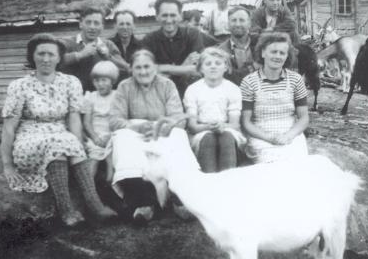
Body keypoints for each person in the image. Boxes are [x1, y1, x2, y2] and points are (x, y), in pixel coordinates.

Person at [1, 33, 116, 227]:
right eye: (41, 54)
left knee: (68, 142)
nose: (46, 59)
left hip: (61, 134)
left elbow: (73, 118)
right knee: (59, 142)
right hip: (30, 137)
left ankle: (95, 206)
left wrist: (80, 147)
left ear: (59, 58)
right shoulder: (19, 86)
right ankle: (67, 210)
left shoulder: (70, 82)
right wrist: (7, 165)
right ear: (32, 56)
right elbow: (9, 127)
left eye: (51, 54)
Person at [109, 49, 200, 222]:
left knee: (179, 136)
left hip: (163, 129)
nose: (143, 72)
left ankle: (179, 199)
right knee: (122, 138)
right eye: (138, 68)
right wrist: (137, 126)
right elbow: (114, 120)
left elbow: (177, 118)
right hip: (136, 130)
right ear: (131, 69)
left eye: (147, 66)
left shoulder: (167, 85)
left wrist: (161, 127)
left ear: (155, 67)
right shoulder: (124, 86)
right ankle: (144, 202)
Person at [240, 32, 309, 164]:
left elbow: (304, 118)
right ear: (263, 53)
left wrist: (289, 136)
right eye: (273, 51)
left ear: (287, 56)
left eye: (282, 53)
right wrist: (269, 137)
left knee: (298, 168)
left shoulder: (296, 79)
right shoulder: (249, 82)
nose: (277, 56)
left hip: (291, 135)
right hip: (261, 137)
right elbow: (246, 122)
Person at [183, 47, 246, 173]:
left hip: (228, 129)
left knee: (226, 137)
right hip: (200, 132)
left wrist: (222, 126)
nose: (213, 67)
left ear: (226, 67)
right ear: (201, 68)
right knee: (208, 138)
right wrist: (208, 127)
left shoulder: (232, 89)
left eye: (218, 63)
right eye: (208, 64)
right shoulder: (193, 89)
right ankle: (209, 182)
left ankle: (228, 181)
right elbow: (192, 126)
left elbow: (235, 124)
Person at [142, 0, 204, 96]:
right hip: (160, 94)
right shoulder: (149, 40)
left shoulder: (192, 35)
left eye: (173, 15)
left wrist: (161, 69)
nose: (169, 20)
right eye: (164, 15)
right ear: (157, 16)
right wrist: (183, 67)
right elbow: (146, 70)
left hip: (190, 93)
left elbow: (197, 70)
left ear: (180, 16)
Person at [61, 7, 130, 92]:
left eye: (96, 23)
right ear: (81, 24)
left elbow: (125, 69)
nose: (92, 27)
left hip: (101, 97)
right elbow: (54, 61)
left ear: (102, 27)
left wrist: (108, 57)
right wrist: (80, 55)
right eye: (88, 22)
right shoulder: (67, 43)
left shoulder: (108, 45)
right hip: (73, 95)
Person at [82, 61, 119, 185]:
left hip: (112, 135)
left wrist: (110, 136)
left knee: (111, 159)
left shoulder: (117, 96)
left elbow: (118, 119)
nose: (100, 84)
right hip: (95, 135)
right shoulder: (90, 97)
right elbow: (86, 123)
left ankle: (112, 187)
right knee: (93, 159)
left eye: (104, 80)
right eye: (97, 81)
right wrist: (95, 137)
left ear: (112, 81)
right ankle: (89, 190)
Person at [218, 6, 260, 85]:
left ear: (249, 24)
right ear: (228, 24)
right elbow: (229, 78)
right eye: (234, 20)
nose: (237, 24)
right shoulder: (221, 51)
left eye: (242, 20)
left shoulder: (261, 43)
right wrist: (253, 67)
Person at [110, 10, 142, 82]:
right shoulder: (108, 45)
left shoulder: (141, 46)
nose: (125, 27)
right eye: (121, 24)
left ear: (134, 26)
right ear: (115, 26)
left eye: (128, 24)